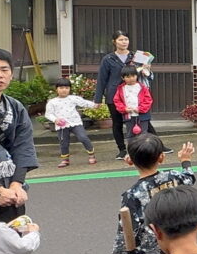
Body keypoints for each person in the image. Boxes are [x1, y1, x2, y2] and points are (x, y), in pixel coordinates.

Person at [0, 48, 36, 227]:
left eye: (4, 69)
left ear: (11, 75)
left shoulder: (15, 107)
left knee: (12, 239)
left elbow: (24, 146)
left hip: (10, 190)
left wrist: (16, 185)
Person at [94, 30, 156, 159]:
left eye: (126, 39)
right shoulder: (108, 59)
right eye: (121, 39)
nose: (124, 42)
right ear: (114, 42)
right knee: (117, 123)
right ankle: (122, 149)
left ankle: (157, 145)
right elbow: (102, 79)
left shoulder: (137, 56)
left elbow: (148, 75)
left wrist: (147, 69)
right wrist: (98, 99)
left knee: (144, 121)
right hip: (115, 96)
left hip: (135, 95)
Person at [45, 77, 101, 168]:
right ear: (56, 89)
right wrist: (55, 120)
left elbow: (84, 103)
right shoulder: (52, 102)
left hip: (75, 123)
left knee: (83, 137)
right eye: (61, 88)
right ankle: (65, 159)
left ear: (70, 89)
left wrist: (94, 105)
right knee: (63, 142)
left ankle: (91, 154)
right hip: (62, 126)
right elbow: (48, 114)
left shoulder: (73, 98)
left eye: (66, 88)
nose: (64, 90)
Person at [112, 65, 153, 144]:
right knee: (130, 135)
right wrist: (124, 109)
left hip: (142, 116)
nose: (131, 78)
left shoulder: (142, 87)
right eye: (128, 77)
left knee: (143, 134)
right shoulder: (121, 89)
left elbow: (148, 100)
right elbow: (117, 101)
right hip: (129, 116)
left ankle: (143, 150)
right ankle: (132, 150)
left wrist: (140, 109)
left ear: (136, 76)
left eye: (133, 76)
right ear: (123, 78)